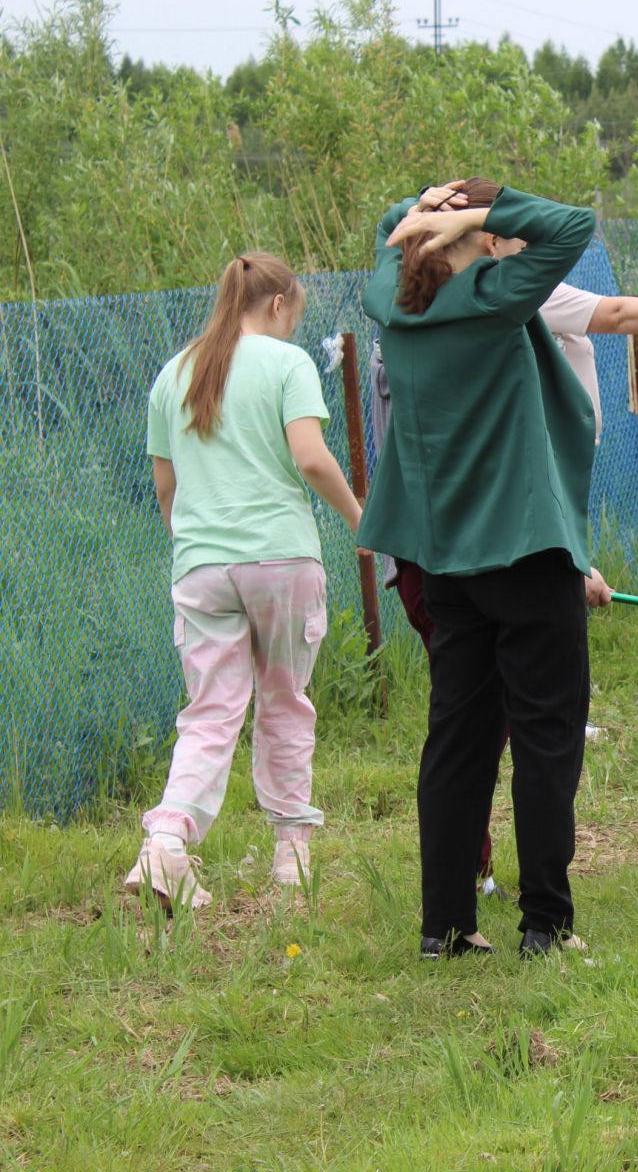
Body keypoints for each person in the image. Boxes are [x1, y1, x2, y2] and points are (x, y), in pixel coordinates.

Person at [365, 239, 638, 895]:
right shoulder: (500, 301)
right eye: (512, 235)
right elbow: (613, 304)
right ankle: (517, 900)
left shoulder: (412, 312)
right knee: (505, 731)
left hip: (475, 541)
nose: (529, 246)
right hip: (489, 545)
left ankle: (455, 904)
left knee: (474, 728)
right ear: (485, 243)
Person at [360, 177, 598, 961]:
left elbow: (390, 232)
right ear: (469, 247)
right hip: (528, 552)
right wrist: (486, 200)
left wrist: (425, 208)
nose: (497, 241)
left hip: (447, 560)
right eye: (481, 235)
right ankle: (544, 924)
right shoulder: (494, 297)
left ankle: (446, 927)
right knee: (545, 739)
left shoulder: (393, 306)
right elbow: (570, 221)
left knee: (457, 741)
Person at [124, 253, 362, 913]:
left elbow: (165, 487)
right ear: (280, 304)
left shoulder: (176, 371)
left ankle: (166, 843)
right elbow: (310, 458)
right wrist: (359, 517)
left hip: (200, 564)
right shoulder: (286, 364)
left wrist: (197, 547)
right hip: (280, 559)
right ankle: (291, 861)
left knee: (209, 711)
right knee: (284, 698)